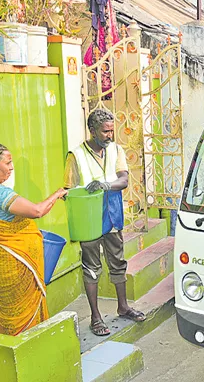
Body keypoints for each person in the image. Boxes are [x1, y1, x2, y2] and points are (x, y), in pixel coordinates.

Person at [0, 143, 67, 335]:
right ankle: (28, 350)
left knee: (8, 314)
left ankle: (11, 350)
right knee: (24, 315)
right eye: (8, 162)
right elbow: (37, 211)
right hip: (16, 264)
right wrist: (57, 194)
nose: (12, 167)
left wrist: (4, 231)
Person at [64, 109, 145, 337]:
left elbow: (124, 180)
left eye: (111, 130)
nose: (110, 135)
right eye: (105, 131)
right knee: (91, 268)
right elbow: (69, 190)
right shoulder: (76, 155)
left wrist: (105, 186)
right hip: (89, 219)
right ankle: (96, 317)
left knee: (118, 261)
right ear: (92, 130)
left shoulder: (116, 150)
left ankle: (123, 306)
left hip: (112, 215)